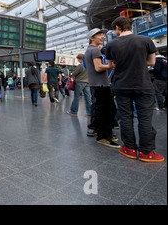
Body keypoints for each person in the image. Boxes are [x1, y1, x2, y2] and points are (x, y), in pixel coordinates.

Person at [106, 16, 164, 162]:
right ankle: (147, 152)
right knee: (145, 118)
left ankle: (129, 148)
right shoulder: (145, 40)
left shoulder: (111, 44)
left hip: (121, 85)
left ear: (117, 27)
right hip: (143, 84)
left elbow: (112, 65)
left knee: (126, 118)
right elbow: (151, 62)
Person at [83, 29, 118, 148]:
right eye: (99, 35)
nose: (102, 37)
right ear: (91, 38)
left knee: (102, 110)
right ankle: (103, 136)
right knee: (107, 111)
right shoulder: (94, 51)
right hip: (101, 85)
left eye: (102, 34)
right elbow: (98, 67)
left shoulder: (89, 50)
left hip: (96, 84)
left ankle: (105, 133)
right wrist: (110, 66)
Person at [67, 54, 92, 120]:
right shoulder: (90, 65)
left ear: (81, 59)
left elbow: (74, 74)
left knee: (76, 97)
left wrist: (70, 75)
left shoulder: (81, 65)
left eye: (78, 59)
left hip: (80, 82)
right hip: (87, 82)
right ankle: (89, 112)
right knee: (88, 98)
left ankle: (73, 111)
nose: (78, 60)